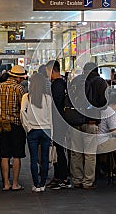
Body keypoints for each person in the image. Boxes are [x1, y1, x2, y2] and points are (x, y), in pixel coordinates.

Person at [70, 62, 108, 189]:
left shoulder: (76, 81)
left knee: (76, 152)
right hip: (91, 122)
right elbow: (104, 101)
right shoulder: (100, 82)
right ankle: (88, 182)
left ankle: (76, 180)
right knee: (89, 154)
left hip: (75, 121)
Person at [0, 65, 27, 191]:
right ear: (18, 78)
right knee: (17, 155)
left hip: (2, 124)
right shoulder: (19, 89)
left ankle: (6, 183)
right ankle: (15, 184)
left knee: (4, 155)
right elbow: (23, 109)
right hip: (16, 125)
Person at [20, 73, 52, 192]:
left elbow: (22, 112)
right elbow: (51, 115)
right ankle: (43, 184)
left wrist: (27, 126)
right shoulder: (47, 98)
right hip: (46, 130)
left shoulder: (26, 97)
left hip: (32, 131)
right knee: (44, 158)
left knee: (33, 159)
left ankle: (36, 185)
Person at [45, 60, 71, 190]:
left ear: (52, 70)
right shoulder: (65, 83)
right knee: (59, 150)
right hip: (64, 122)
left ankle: (62, 177)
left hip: (58, 122)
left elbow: (55, 106)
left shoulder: (57, 85)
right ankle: (60, 176)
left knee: (59, 150)